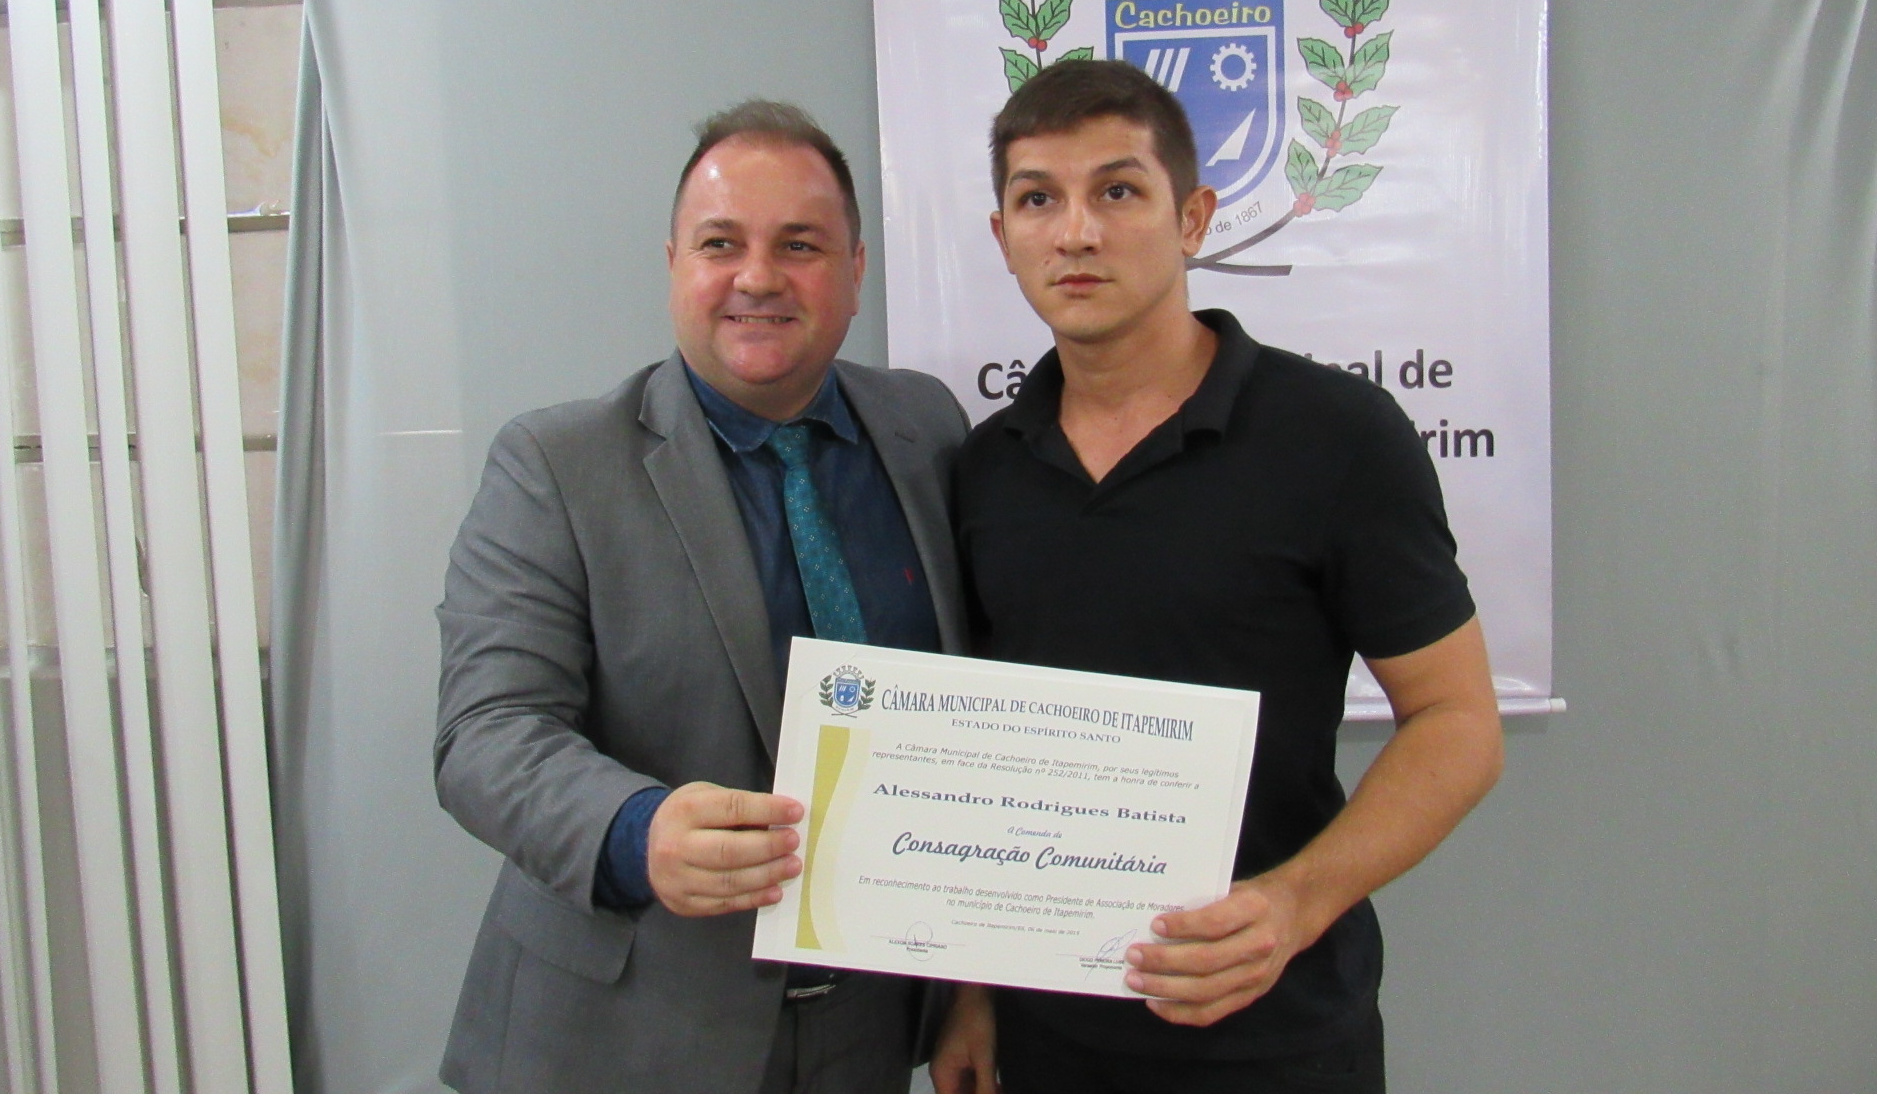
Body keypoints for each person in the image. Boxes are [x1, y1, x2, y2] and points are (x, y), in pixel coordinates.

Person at [932, 60, 1504, 1094]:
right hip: (1045, 1043)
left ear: (1192, 218)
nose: (1075, 232)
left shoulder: (1336, 437)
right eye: (1037, 199)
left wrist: (1294, 902)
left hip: (1272, 1038)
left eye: (1117, 190)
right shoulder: (983, 468)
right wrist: (970, 990)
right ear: (1003, 236)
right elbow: (982, 754)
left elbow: (1458, 723)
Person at [434, 101, 968, 1094]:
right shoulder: (555, 465)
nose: (757, 277)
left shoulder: (925, 426)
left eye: (799, 245)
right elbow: (486, 733)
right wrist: (638, 831)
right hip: (624, 1040)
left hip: (869, 1029)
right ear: (674, 262)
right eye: (721, 243)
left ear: (856, 270)